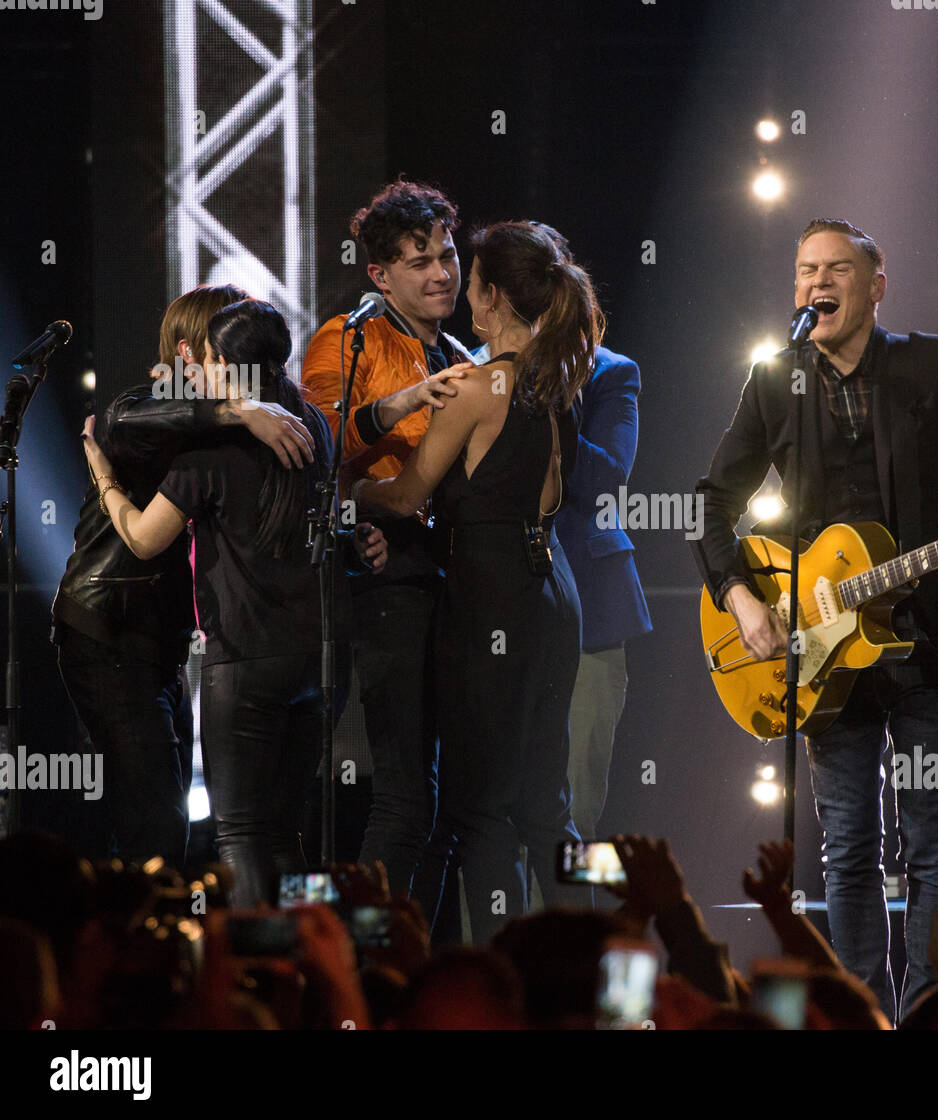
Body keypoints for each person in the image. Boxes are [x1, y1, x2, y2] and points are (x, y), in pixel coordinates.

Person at [691, 218, 938, 1020]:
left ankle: (936, 1009)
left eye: (836, 268)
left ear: (877, 284)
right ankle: (862, 1011)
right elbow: (711, 503)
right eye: (804, 271)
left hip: (931, 636)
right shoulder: (777, 379)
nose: (816, 284)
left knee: (935, 843)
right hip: (824, 649)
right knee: (845, 847)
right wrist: (739, 595)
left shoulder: (936, 364)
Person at [81, 299, 383, 905]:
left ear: (226, 366)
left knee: (240, 831)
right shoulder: (314, 427)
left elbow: (143, 539)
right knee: (284, 831)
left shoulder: (207, 455)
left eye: (209, 364)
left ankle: (255, 971)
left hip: (246, 659)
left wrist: (105, 479)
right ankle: (302, 958)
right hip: (322, 657)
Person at [353, 220, 598, 943]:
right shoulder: (564, 380)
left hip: (493, 595)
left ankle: (501, 988)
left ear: (490, 295)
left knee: (481, 807)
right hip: (555, 591)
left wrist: (350, 494)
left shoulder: (485, 382)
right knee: (547, 806)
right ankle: (580, 973)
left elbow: (406, 494)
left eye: (471, 279)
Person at [52, 283, 323, 870]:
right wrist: (240, 408)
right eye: (220, 344)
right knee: (161, 822)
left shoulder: (245, 432)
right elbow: (119, 420)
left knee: (182, 819)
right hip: (107, 627)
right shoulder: (156, 412)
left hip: (167, 639)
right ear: (189, 352)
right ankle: (146, 952)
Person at [302, 180, 474, 922]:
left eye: (447, 255)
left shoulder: (464, 350)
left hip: (453, 581)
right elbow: (319, 443)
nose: (442, 273)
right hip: (385, 576)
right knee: (405, 795)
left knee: (443, 804)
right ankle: (368, 971)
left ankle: (412, 972)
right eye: (418, 262)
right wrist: (402, 403)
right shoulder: (350, 337)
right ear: (380, 275)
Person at [473, 223, 652, 844]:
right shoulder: (478, 372)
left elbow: (607, 478)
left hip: (588, 616)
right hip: (491, 608)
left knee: (574, 809)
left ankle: (574, 935)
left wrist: (554, 395)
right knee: (485, 809)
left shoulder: (608, 372)